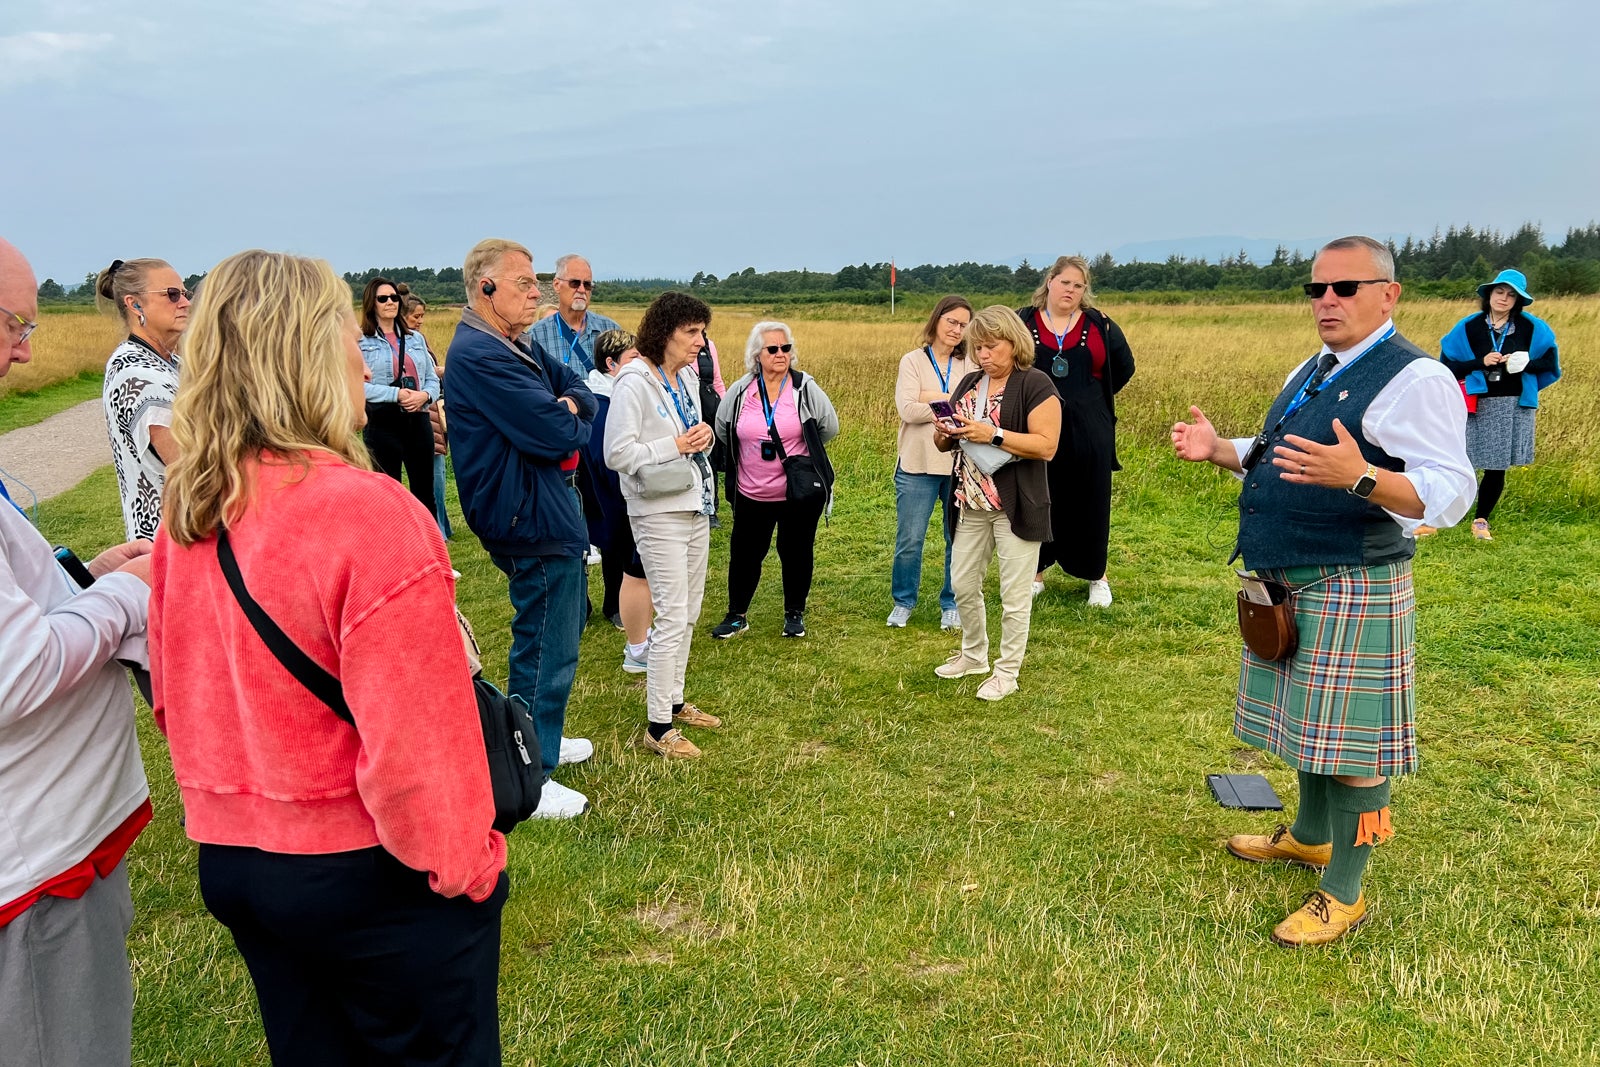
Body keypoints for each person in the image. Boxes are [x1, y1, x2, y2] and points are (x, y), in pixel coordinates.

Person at [148, 249, 506, 1064]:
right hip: (365, 870)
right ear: (309, 350)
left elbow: (172, 696)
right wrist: (469, 864)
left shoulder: (195, 503)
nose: (360, 351)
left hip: (239, 860)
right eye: (347, 330)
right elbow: (419, 744)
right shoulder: (365, 511)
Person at [1171, 235, 1475, 946]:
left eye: (1345, 287)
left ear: (1389, 294)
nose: (1327, 301)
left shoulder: (1416, 378)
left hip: (1353, 581)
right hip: (1290, 581)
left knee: (1358, 748)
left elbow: (1450, 492)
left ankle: (1344, 889)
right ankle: (1309, 834)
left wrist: (1361, 477)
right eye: (1317, 289)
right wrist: (1222, 449)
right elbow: (1283, 451)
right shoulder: (1315, 368)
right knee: (1308, 725)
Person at [1, 237, 154, 1067]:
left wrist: (86, 576)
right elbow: (14, 671)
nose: (27, 345)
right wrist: (128, 594)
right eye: (12, 323)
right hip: (34, 873)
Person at [445, 239, 597, 819]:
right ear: (485, 289)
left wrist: (570, 407)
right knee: (542, 642)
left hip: (540, 505)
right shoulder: (483, 355)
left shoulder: (516, 342)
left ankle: (546, 738)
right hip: (526, 513)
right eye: (525, 283)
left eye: (537, 283)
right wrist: (568, 414)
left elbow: (579, 388)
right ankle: (529, 774)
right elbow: (557, 433)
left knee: (560, 631)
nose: (538, 293)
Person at [604, 293, 723, 758]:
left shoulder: (687, 378)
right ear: (664, 332)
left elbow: (693, 437)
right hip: (656, 510)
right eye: (691, 332)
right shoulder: (633, 381)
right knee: (671, 615)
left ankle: (674, 703)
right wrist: (673, 445)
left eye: (702, 332)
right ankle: (658, 728)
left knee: (689, 610)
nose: (700, 341)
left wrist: (704, 437)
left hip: (694, 502)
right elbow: (617, 453)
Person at [932, 306, 1061, 702]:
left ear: (1014, 343)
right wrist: (946, 432)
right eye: (978, 347)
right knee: (963, 583)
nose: (983, 355)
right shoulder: (971, 382)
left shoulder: (1035, 384)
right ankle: (974, 655)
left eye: (991, 347)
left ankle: (1008, 672)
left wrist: (995, 435)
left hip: (1016, 505)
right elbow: (945, 444)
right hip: (970, 501)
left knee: (1015, 594)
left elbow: (1047, 446)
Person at [711, 321, 839, 640]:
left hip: (796, 494)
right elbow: (723, 427)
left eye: (786, 348)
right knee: (745, 554)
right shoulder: (742, 390)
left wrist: (801, 456)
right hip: (751, 492)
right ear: (757, 355)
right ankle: (736, 615)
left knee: (796, 553)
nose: (781, 354)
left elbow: (829, 427)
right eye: (773, 349)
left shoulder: (804, 387)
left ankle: (794, 614)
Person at [1019, 256, 1135, 606]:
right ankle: (1034, 574)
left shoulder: (1100, 324)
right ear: (1050, 281)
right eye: (1065, 282)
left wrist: (1091, 400)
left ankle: (1097, 577)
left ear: (1085, 291)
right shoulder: (1023, 320)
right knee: (1038, 497)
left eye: (1078, 285)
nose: (1070, 290)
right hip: (1035, 429)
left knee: (1091, 500)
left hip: (1089, 431)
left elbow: (1123, 368)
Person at [1438, 268, 1562, 542]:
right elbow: (1447, 367)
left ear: (1518, 300)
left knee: (1496, 465)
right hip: (1473, 403)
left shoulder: (1532, 328)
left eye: (1511, 295)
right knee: (1460, 460)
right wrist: (1479, 363)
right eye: (1499, 292)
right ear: (1489, 294)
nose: (1504, 298)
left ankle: (1481, 521)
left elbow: (1550, 364)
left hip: (1510, 404)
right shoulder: (1468, 327)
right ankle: (1438, 516)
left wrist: (1524, 363)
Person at [890, 295, 972, 631]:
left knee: (957, 539)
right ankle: (903, 601)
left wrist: (930, 399)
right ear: (936, 320)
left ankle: (951, 603)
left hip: (958, 466)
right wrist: (950, 403)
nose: (956, 329)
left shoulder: (971, 365)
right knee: (910, 539)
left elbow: (974, 408)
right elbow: (907, 409)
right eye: (951, 321)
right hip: (916, 465)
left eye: (963, 325)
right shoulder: (912, 361)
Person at [98, 256, 190, 541]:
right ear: (135, 304)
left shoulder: (167, 361)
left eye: (185, 294)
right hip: (170, 542)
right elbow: (192, 468)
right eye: (172, 295)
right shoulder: (140, 377)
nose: (185, 303)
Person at [580, 329, 654, 664]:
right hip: (612, 490)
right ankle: (615, 606)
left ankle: (622, 605)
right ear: (611, 364)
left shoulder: (619, 392)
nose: (640, 364)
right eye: (632, 359)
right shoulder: (600, 401)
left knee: (624, 547)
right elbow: (602, 454)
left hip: (624, 487)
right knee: (617, 548)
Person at [357, 277, 438, 513]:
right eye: (383, 298)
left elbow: (432, 377)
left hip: (417, 418)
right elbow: (356, 386)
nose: (390, 302)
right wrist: (396, 394)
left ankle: (429, 545)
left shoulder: (415, 338)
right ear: (372, 303)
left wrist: (425, 396)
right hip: (383, 421)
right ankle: (394, 545)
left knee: (424, 491)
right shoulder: (361, 341)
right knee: (387, 492)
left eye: (394, 297)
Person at [403, 293, 453, 539]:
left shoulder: (417, 339)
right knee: (432, 475)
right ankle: (436, 529)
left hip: (430, 407)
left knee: (437, 474)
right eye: (416, 316)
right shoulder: (408, 341)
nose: (420, 320)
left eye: (422, 316)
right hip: (423, 410)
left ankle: (442, 525)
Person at [524, 254, 621, 375]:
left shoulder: (611, 330)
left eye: (587, 285)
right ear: (556, 285)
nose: (581, 290)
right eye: (574, 283)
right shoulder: (536, 336)